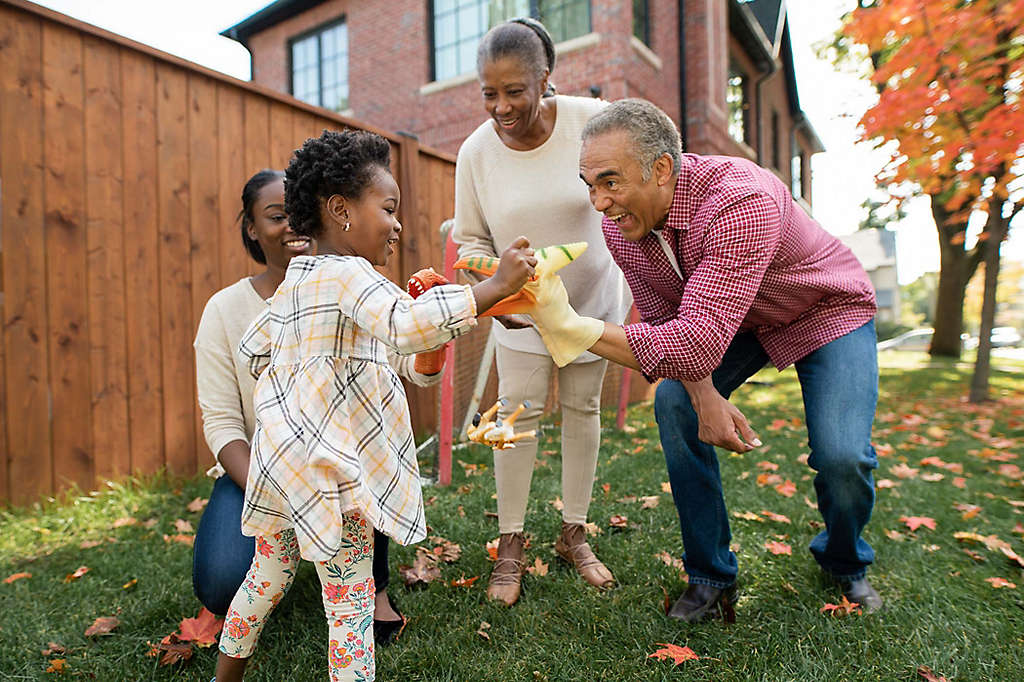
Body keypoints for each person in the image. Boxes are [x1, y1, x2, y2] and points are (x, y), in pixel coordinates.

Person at [536, 97, 882, 621]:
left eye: (610, 181)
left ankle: (843, 559)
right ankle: (709, 575)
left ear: (661, 169)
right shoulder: (623, 225)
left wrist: (569, 327)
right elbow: (663, 323)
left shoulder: (739, 201)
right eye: (590, 185)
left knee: (842, 456)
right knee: (675, 402)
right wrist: (705, 396)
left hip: (825, 308)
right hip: (739, 321)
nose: (599, 202)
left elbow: (693, 342)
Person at [214, 130, 536, 682]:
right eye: (388, 208)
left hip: (284, 467)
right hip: (331, 474)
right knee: (350, 606)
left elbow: (259, 348)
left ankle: (224, 678)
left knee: (264, 580)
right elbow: (409, 326)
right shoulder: (350, 275)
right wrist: (494, 288)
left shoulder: (297, 281)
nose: (398, 223)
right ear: (340, 210)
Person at [452, 17, 631, 606]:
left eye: (514, 91)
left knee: (582, 410)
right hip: (520, 315)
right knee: (515, 423)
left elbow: (627, 190)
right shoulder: (475, 153)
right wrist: (497, 288)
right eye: (489, 93)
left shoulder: (590, 123)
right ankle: (510, 544)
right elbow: (472, 242)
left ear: (544, 80)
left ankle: (573, 533)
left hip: (591, 309)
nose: (501, 107)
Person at [191, 170, 407, 645]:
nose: (292, 225)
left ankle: (373, 589)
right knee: (222, 582)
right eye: (275, 216)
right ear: (251, 228)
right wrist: (280, 492)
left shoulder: (355, 287)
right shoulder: (224, 310)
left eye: (299, 212)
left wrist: (437, 333)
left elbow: (407, 358)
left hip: (342, 467)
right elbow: (223, 423)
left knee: (360, 465)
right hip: (261, 469)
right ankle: (284, 563)